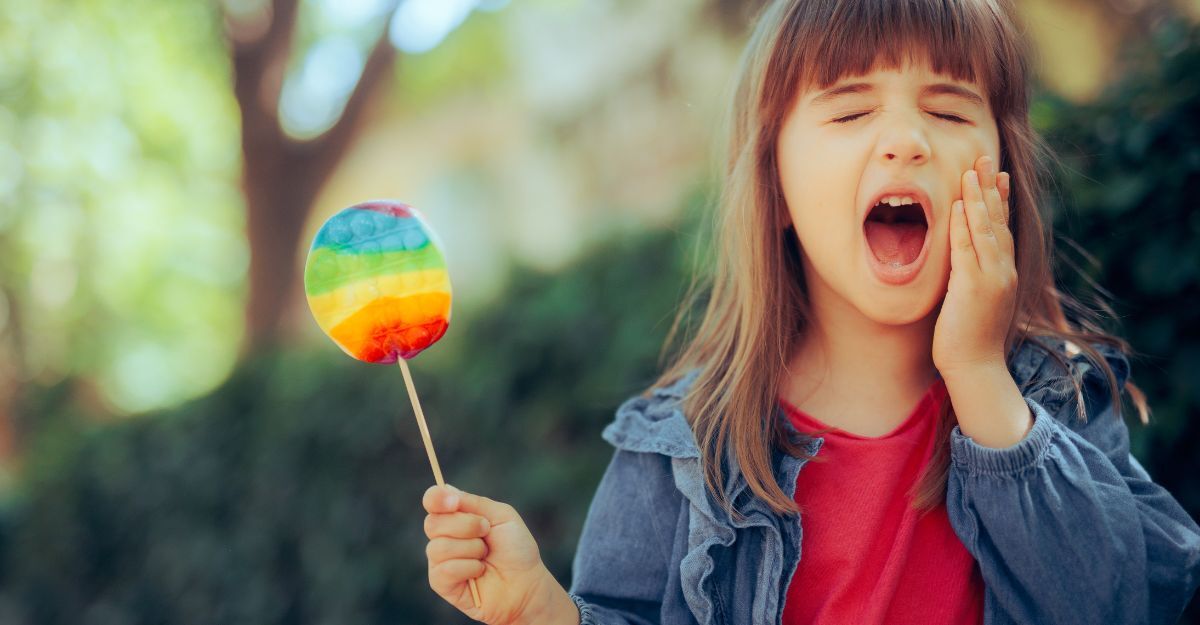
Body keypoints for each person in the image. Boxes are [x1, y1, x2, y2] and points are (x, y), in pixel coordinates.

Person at [421, 0, 1200, 623]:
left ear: (1003, 170)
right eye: (851, 112)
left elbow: (1123, 603)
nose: (906, 141)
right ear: (776, 188)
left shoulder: (1057, 399)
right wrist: (544, 611)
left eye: (950, 111)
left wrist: (979, 373)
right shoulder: (682, 453)